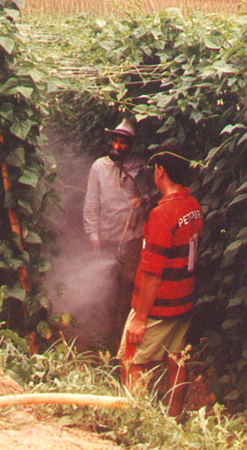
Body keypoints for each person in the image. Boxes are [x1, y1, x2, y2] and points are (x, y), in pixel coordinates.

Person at [117, 150, 203, 418]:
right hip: (183, 302)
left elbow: (153, 273)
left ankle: (139, 424)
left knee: (130, 360)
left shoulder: (162, 214)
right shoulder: (193, 207)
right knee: (176, 359)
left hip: (159, 307)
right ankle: (172, 419)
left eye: (155, 168)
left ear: (161, 171)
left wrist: (140, 318)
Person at [83, 118, 148, 345]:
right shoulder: (98, 167)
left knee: (127, 289)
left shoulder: (138, 167)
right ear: (110, 142)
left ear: (130, 146)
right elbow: (91, 204)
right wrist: (93, 237)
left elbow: (151, 195)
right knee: (106, 289)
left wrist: (142, 201)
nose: (118, 147)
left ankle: (123, 336)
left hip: (131, 240)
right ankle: (104, 337)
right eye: (115, 141)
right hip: (107, 239)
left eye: (123, 143)